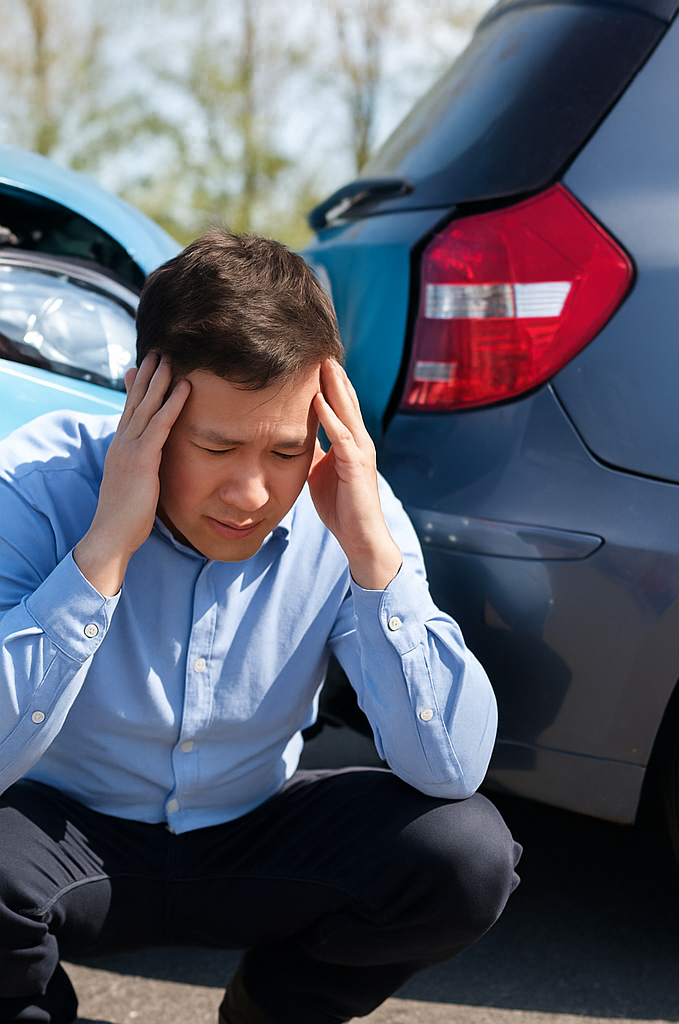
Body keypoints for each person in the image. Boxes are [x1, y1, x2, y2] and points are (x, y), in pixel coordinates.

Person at [0, 232, 519, 1023]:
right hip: (69, 841)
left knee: (467, 853)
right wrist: (104, 549)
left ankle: (268, 1015)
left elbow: (451, 769)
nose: (251, 492)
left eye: (284, 449)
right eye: (216, 444)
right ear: (146, 401)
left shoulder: (348, 506)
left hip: (249, 838)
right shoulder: (35, 485)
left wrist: (373, 556)